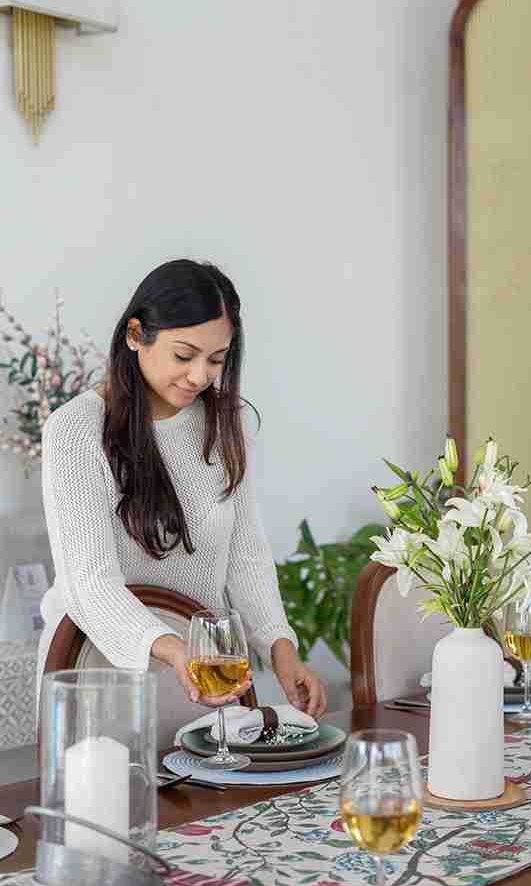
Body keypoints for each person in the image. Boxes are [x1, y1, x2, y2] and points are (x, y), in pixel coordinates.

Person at [37, 259, 327, 720]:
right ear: (135, 335)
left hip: (200, 680)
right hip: (97, 677)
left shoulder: (221, 424)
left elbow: (245, 553)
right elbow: (90, 584)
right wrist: (173, 650)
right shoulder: (76, 430)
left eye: (217, 359)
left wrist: (280, 646)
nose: (200, 377)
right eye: (184, 355)